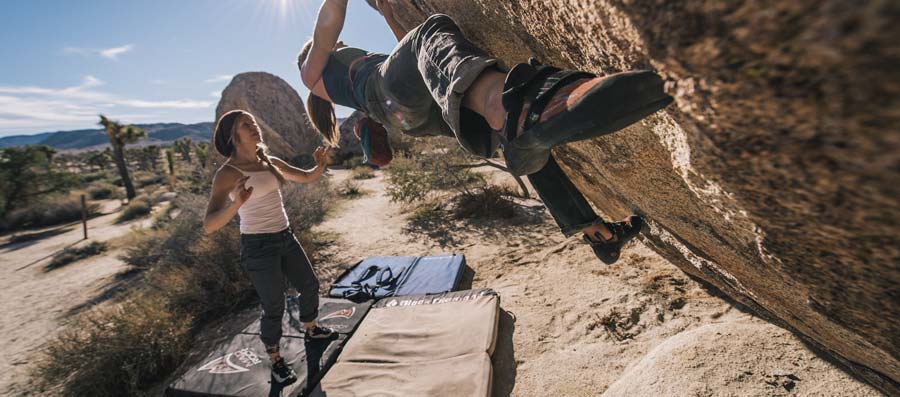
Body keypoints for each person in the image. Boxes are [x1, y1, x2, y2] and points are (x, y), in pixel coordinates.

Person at [298, 0, 673, 264]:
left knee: (518, 139)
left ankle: (597, 234)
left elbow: (410, 51)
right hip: (386, 94)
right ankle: (506, 102)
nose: (341, 46)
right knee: (436, 32)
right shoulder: (312, 74)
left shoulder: (352, 70)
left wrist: (387, 12)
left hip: (415, 112)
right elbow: (333, 21)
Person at [202, 109, 335, 386]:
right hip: (258, 245)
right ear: (232, 136)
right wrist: (236, 204)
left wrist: (319, 165)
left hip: (285, 237)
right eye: (245, 124)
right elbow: (210, 224)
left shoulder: (269, 161)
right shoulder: (227, 173)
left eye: (253, 121)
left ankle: (311, 329)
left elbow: (306, 177)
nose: (254, 126)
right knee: (274, 305)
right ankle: (275, 360)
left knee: (309, 285)